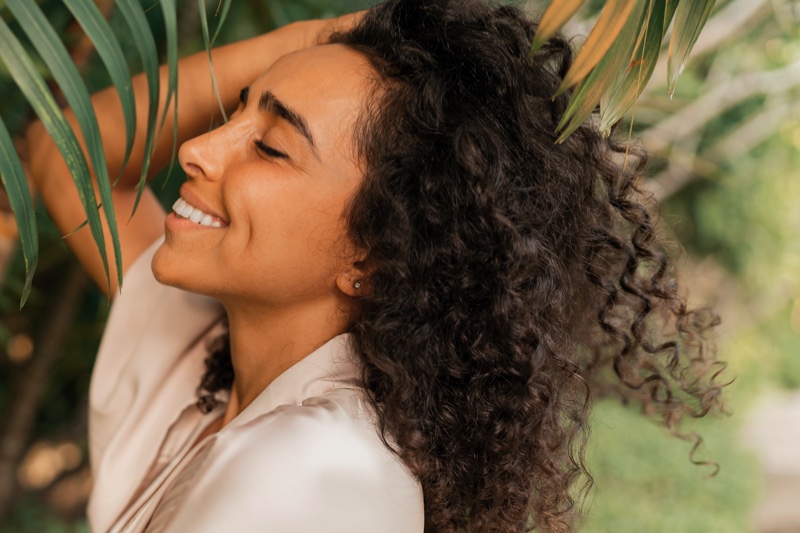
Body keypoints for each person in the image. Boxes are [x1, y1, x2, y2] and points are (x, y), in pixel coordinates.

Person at [26, 0, 725, 531]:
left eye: (269, 146)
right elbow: (66, 155)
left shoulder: (315, 469)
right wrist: (311, 46)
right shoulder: (214, 361)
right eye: (236, 111)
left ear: (377, 251)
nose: (199, 147)